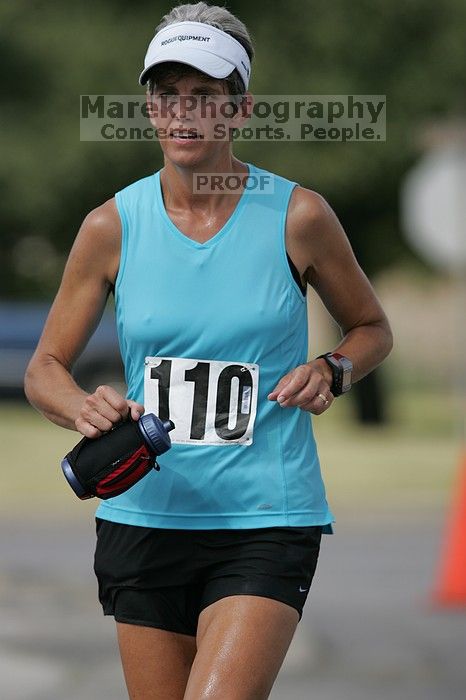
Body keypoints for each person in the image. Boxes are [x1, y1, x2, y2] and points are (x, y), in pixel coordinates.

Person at [25, 3, 393, 699]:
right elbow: (43, 369)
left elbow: (372, 328)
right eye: (168, 94)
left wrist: (332, 369)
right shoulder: (111, 225)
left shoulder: (298, 215)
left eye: (205, 95)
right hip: (142, 515)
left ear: (240, 109)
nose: (184, 112)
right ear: (149, 107)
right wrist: (82, 407)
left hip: (265, 517)